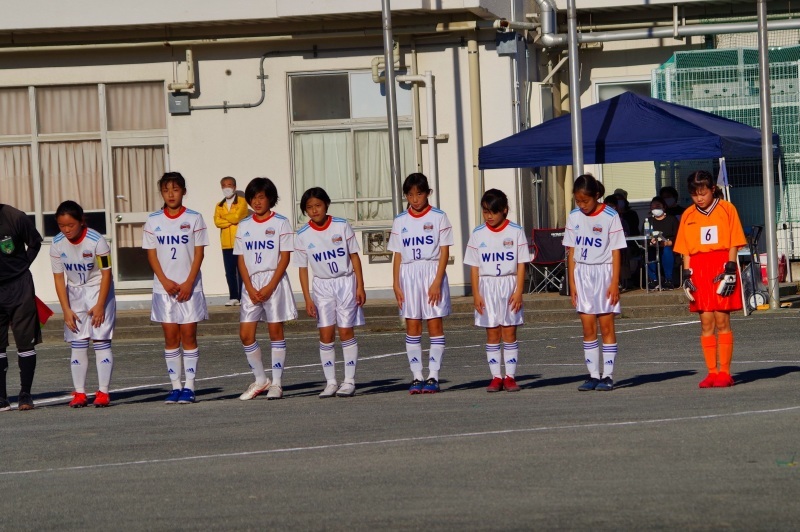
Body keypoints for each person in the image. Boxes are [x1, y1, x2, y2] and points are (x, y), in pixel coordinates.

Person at [673, 170, 746, 388]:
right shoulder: (688, 215)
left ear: (712, 189)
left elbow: (734, 240)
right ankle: (711, 372)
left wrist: (731, 267)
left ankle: (725, 372)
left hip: (721, 265)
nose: (699, 198)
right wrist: (686, 274)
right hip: (698, 268)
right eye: (695, 194)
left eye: (703, 193)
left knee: (722, 318)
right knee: (705, 321)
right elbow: (685, 248)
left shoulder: (727, 209)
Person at [142, 172, 209, 404]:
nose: (171, 194)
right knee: (171, 337)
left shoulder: (195, 218)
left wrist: (190, 282)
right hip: (164, 289)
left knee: (188, 335)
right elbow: (152, 255)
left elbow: (199, 253)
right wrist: (164, 281)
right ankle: (175, 387)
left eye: (176, 189)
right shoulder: (153, 220)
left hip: (190, 287)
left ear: (183, 191)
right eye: (166, 190)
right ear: (161, 192)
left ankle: (190, 388)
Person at [294, 187, 365, 398]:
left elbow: (354, 257)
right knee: (325, 335)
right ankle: (331, 382)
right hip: (322, 286)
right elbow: (302, 268)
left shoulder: (341, 226)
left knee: (345, 332)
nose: (314, 210)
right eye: (309, 207)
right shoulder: (302, 235)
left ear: (326, 204)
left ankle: (349, 380)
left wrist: (360, 286)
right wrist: (307, 298)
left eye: (317, 205)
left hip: (345, 283)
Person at [388, 173, 453, 394]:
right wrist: (396, 283)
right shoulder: (400, 220)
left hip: (431, 271)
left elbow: (444, 252)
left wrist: (437, 281)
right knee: (412, 326)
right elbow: (397, 254)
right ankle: (417, 377)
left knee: (434, 325)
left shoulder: (439, 217)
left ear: (427, 193)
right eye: (410, 195)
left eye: (419, 194)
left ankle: (433, 376)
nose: (415, 199)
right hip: (409, 273)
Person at [563, 174, 627, 392]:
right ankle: (592, 375)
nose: (581, 205)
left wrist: (614, 283)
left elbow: (616, 251)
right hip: (583, 275)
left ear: (596, 196)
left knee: (606, 326)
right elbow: (572, 252)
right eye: (578, 201)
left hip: (604, 274)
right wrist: (572, 284)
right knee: (587, 328)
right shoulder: (573, 217)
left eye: (585, 201)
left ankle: (607, 376)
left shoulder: (610, 216)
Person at [235, 178, 297, 401]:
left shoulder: (281, 222)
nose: (257, 202)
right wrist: (249, 287)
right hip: (251, 285)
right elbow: (240, 259)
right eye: (253, 198)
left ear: (270, 198)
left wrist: (271, 285)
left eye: (261, 197)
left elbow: (285, 256)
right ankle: (261, 379)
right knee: (245, 334)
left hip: (274, 282)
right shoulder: (244, 225)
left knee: (275, 332)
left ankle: (277, 383)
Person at [50, 201, 116, 408]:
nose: (66, 230)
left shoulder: (97, 241)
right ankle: (79, 393)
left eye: (71, 225)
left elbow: (107, 273)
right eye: (62, 225)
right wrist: (66, 309)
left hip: (99, 290)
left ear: (81, 221)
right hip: (75, 293)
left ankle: (103, 392)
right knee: (77, 343)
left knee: (100, 340)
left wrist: (100, 304)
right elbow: (59, 278)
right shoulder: (57, 243)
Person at [464, 189, 530, 392]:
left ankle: (510, 376)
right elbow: (474, 268)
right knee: (492, 333)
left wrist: (519, 291)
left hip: (509, 285)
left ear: (504, 211)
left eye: (493, 212)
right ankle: (496, 377)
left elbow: (521, 264)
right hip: (487, 287)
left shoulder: (516, 231)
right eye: (485, 212)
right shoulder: (477, 234)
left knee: (509, 331)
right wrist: (476, 294)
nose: (489, 216)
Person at [0, 203, 42, 411]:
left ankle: (25, 393)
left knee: (25, 342)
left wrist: (22, 266)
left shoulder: (15, 217)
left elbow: (35, 242)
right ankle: (1, 397)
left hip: (19, 286)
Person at [214, 176, 249, 306]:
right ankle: (233, 296)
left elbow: (237, 218)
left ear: (234, 187)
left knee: (241, 271)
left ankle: (243, 297)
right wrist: (229, 219)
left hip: (239, 242)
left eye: (229, 185)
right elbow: (217, 222)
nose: (226, 188)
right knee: (229, 271)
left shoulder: (242, 202)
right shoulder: (219, 205)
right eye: (224, 185)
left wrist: (226, 219)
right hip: (226, 244)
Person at [644, 196, 679, 290]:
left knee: (667, 250)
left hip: (668, 246)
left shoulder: (672, 219)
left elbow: (678, 236)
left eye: (658, 206)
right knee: (648, 251)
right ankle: (653, 280)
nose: (655, 209)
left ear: (664, 206)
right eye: (653, 206)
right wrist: (650, 241)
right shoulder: (648, 221)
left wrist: (668, 243)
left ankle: (668, 280)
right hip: (653, 246)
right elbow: (644, 237)